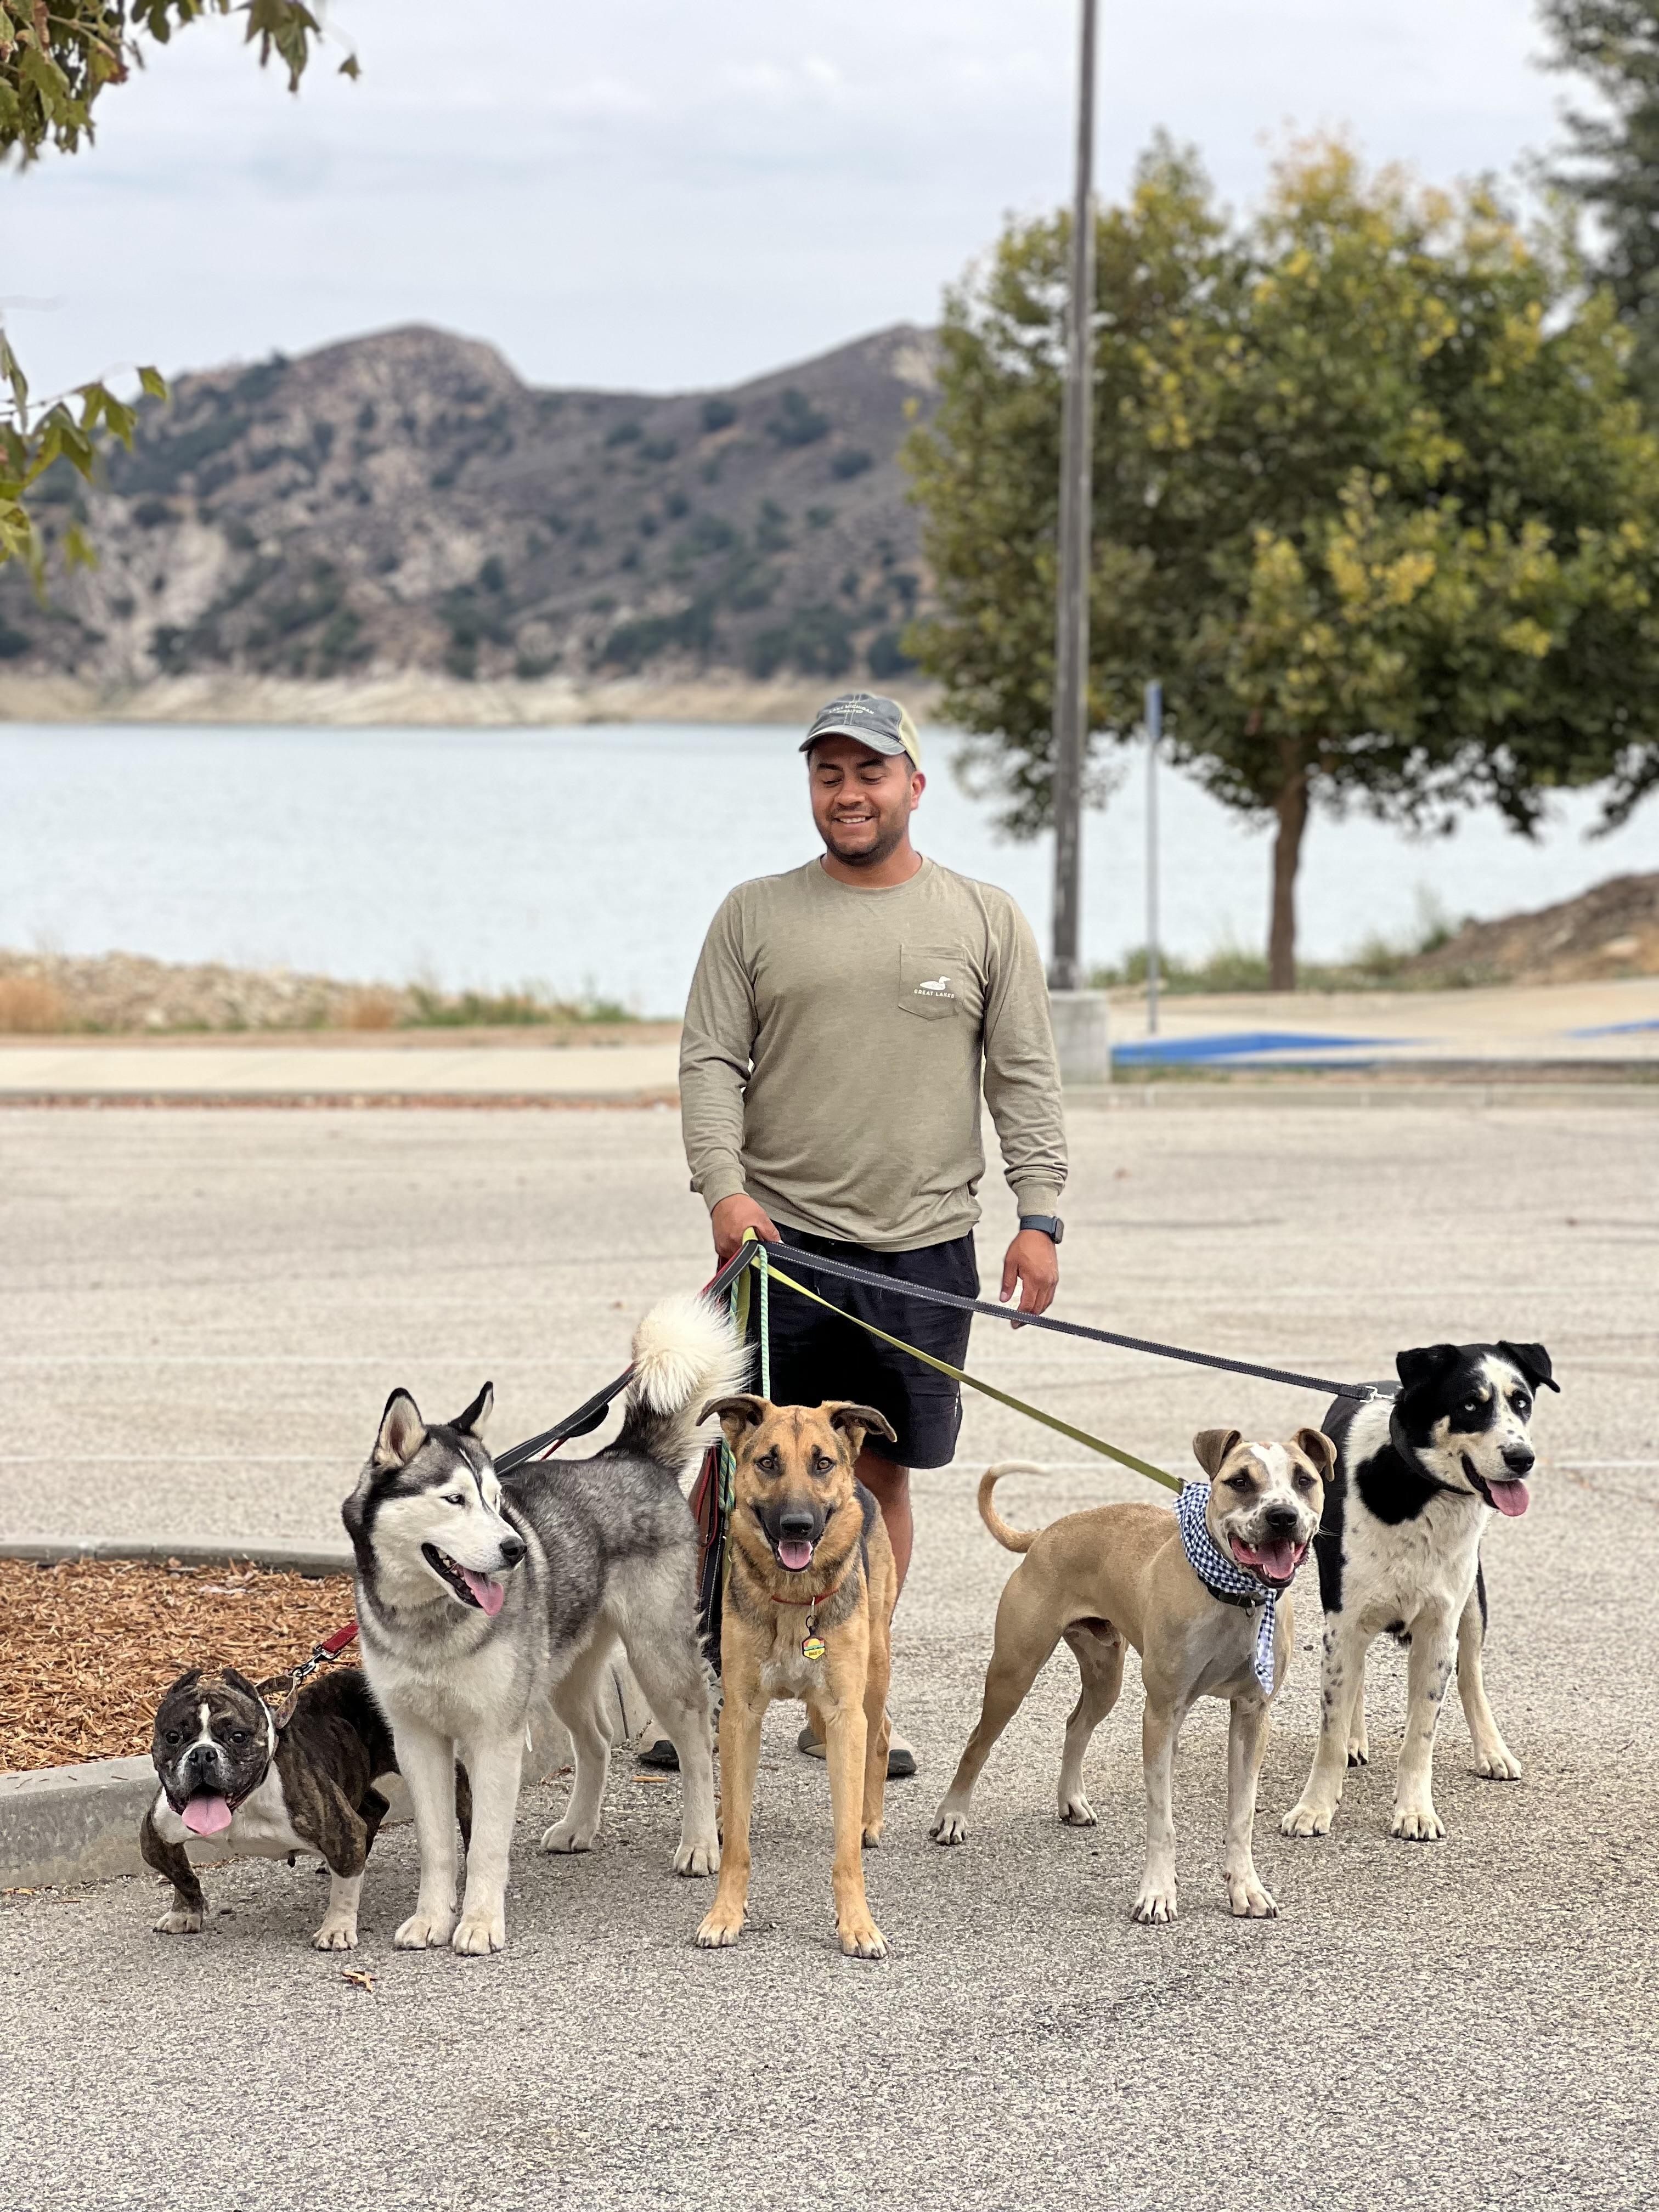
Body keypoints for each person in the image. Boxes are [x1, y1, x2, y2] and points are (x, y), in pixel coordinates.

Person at [676, 690, 1068, 1777]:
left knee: (878, 1478)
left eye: (869, 773)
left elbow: (1025, 1077)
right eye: (829, 774)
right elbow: (710, 1062)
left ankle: (851, 1698)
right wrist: (725, 1192)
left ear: (913, 785)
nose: (849, 794)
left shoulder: (984, 919)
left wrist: (1040, 1218)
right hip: (777, 1248)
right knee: (728, 1471)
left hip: (924, 1253)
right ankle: (713, 1685)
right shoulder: (753, 914)